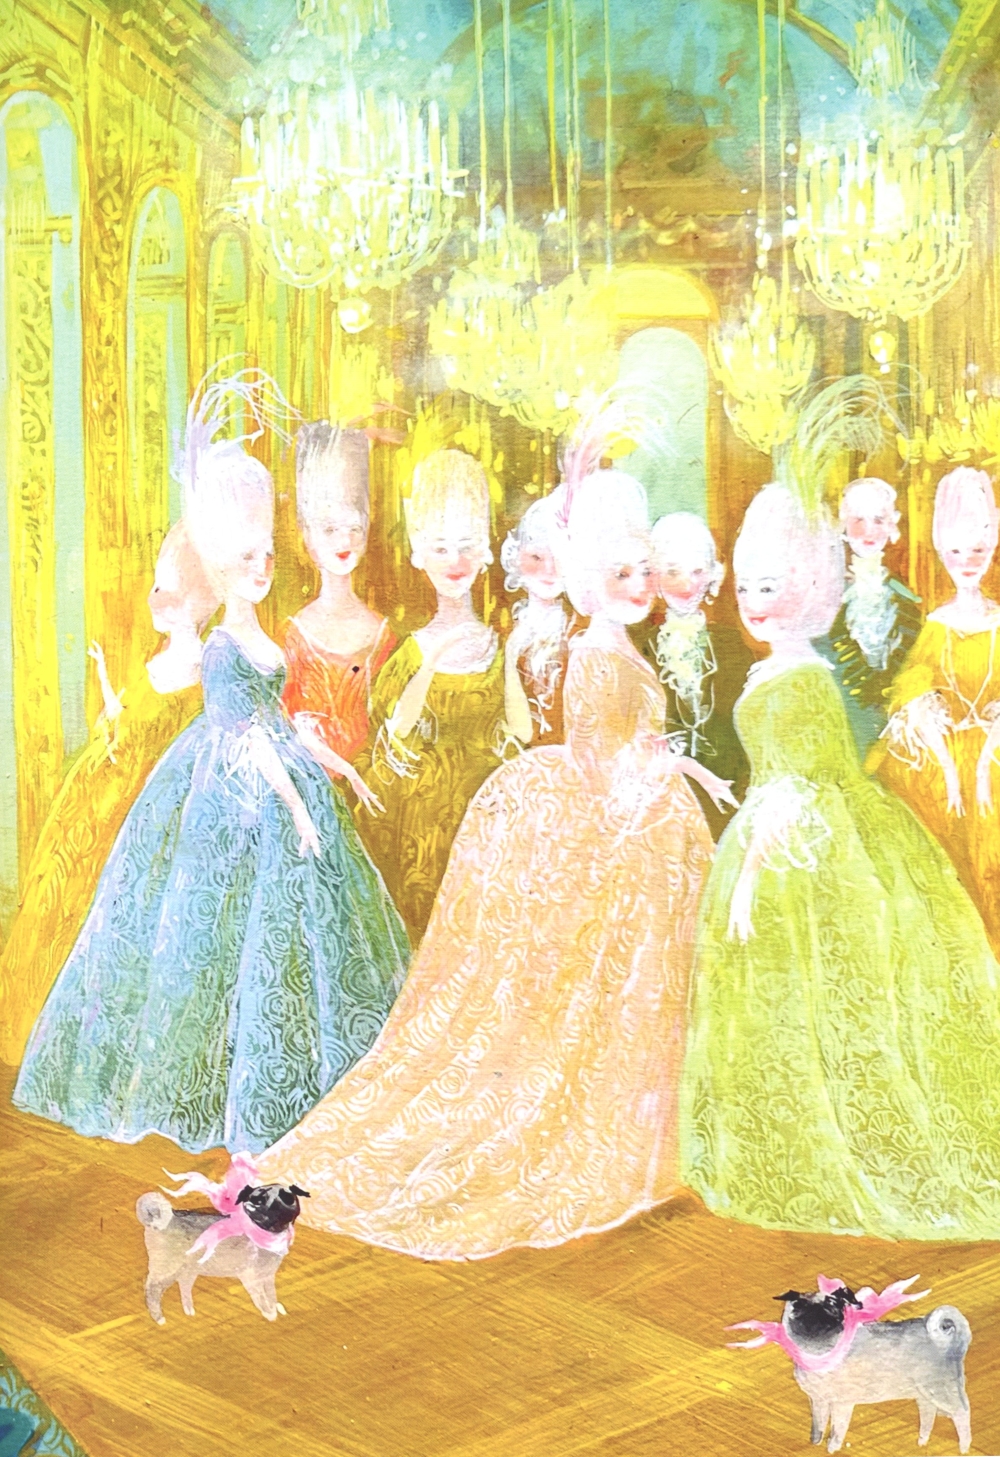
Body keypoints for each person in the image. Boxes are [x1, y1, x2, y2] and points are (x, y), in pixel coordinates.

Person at [249, 465, 727, 1260]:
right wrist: (657, 774)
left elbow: (612, 741)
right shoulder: (594, 652)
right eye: (624, 573)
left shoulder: (608, 642)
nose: (642, 585)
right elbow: (596, 756)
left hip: (642, 816)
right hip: (617, 818)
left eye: (645, 570)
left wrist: (671, 768)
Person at [13, 370, 409, 1154]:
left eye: (267, 554)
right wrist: (298, 810)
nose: (261, 567)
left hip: (279, 771)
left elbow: (283, 722)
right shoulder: (226, 643)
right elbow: (249, 737)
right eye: (247, 557)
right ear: (222, 564)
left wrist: (346, 770)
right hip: (233, 796)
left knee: (299, 940)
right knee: (218, 939)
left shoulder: (261, 634)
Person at [680, 481, 1000, 1241]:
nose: (754, 604)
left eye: (771, 588)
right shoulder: (779, 667)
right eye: (748, 588)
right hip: (788, 842)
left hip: (795, 853)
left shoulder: (802, 678)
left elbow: (799, 789)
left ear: (803, 588)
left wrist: (748, 876)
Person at [0, 519, 217, 1066]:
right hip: (101, 790)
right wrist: (105, 691)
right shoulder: (158, 659)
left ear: (202, 598)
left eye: (172, 589)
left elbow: (172, 745)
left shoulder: (202, 668)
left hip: (139, 805)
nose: (157, 598)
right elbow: (122, 721)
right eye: (157, 585)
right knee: (59, 889)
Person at [355, 449, 529, 943]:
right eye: (441, 547)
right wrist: (430, 664)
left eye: (466, 546)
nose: (455, 562)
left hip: (487, 825)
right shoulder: (412, 652)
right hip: (423, 833)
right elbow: (395, 731)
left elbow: (520, 732)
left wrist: (510, 661)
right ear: (419, 553)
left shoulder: (497, 647)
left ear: (486, 550)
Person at [871, 466, 1000, 955]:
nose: (967, 563)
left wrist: (983, 768)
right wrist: (948, 770)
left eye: (977, 551)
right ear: (942, 553)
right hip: (941, 761)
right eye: (956, 553)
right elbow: (913, 695)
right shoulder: (937, 624)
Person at [281, 422, 395, 798]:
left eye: (353, 528)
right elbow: (287, 727)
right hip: (308, 790)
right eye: (330, 530)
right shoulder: (294, 636)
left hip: (371, 790)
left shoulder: (382, 633)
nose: (344, 540)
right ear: (307, 536)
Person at [640, 511, 754, 840]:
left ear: (712, 575)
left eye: (697, 571)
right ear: (655, 576)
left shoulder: (732, 645)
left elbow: (745, 731)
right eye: (672, 572)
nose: (686, 585)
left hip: (728, 793)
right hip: (660, 802)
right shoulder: (640, 647)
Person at [814, 477, 921, 758]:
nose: (868, 530)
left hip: (894, 733)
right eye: (858, 519)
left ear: (892, 525)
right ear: (844, 524)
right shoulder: (825, 597)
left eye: (878, 519)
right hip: (838, 726)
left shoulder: (906, 600)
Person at [500, 486, 580, 746]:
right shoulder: (505, 632)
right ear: (516, 557)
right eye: (536, 557)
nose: (548, 569)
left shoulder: (578, 633)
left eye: (559, 558)